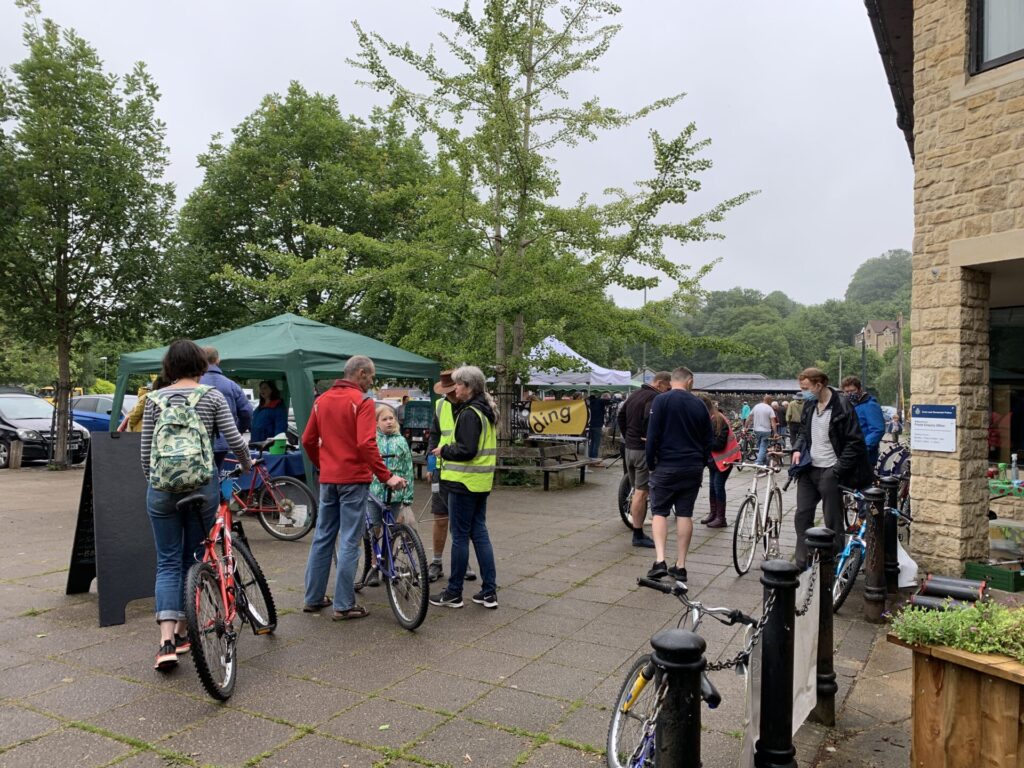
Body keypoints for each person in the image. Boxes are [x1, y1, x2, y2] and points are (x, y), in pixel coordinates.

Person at [140, 339, 252, 671]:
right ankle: (189, 630)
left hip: (161, 491)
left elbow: (145, 453)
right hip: (203, 487)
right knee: (195, 556)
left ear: (168, 367)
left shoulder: (154, 400)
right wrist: (245, 465)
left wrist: (159, 481)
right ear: (202, 366)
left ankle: (167, 642)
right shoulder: (212, 396)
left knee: (167, 563)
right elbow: (234, 439)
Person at [301, 355, 407, 620]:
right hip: (353, 480)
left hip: (328, 479)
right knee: (349, 539)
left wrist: (324, 464)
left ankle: (313, 597)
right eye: (371, 376)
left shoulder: (321, 400)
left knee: (323, 536)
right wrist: (386, 476)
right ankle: (344, 604)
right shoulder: (362, 402)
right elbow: (365, 444)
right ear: (360, 373)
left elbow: (308, 440)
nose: (371, 382)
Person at [429, 365, 499, 609]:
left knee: (459, 537)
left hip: (463, 482)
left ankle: (454, 592)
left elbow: (466, 450)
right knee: (479, 533)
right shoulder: (485, 410)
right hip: (480, 482)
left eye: (458, 384)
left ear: (469, 387)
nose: (455, 388)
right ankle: (489, 591)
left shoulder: (469, 413)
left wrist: (444, 450)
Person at [790, 367, 871, 567]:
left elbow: (855, 443)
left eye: (806, 387)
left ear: (819, 385)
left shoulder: (842, 406)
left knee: (832, 519)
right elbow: (802, 432)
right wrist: (798, 449)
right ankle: (803, 562)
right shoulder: (809, 405)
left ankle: (835, 562)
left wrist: (837, 470)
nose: (803, 392)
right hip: (810, 469)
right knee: (802, 515)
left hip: (831, 469)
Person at [644, 367, 713, 582]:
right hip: (691, 467)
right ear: (689, 381)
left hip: (666, 465)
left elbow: (652, 434)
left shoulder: (661, 401)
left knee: (659, 512)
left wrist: (651, 462)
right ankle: (681, 565)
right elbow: (708, 440)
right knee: (685, 514)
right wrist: (701, 462)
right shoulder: (699, 404)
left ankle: (660, 561)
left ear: (672, 381)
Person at [426, 370, 477, 584]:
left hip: (463, 471)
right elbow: (434, 436)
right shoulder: (440, 406)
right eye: (445, 391)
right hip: (441, 468)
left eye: (452, 390)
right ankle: (436, 562)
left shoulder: (471, 407)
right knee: (440, 517)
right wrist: (430, 465)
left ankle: (462, 561)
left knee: (461, 520)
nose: (450, 395)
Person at [616, 371, 672, 548]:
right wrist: (648, 437)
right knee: (641, 492)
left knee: (636, 490)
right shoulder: (655, 398)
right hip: (642, 451)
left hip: (629, 449)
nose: (668, 391)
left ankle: (637, 529)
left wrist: (629, 436)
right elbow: (649, 417)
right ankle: (638, 534)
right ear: (660, 383)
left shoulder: (634, 395)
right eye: (668, 388)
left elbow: (620, 416)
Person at [362, 403, 415, 587]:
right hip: (374, 493)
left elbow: (408, 468)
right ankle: (374, 565)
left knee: (390, 531)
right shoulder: (372, 440)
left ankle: (386, 562)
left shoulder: (401, 441)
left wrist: (408, 496)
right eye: (384, 419)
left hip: (395, 494)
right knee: (374, 528)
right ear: (376, 423)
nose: (389, 422)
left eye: (391, 418)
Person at [199, 347, 253, 468]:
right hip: (223, 442)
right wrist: (237, 430)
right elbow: (247, 412)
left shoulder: (194, 383)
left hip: (196, 442)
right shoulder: (231, 385)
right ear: (218, 360)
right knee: (216, 473)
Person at [699, 394, 736, 528]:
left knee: (718, 487)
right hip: (715, 461)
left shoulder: (718, 420)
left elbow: (719, 444)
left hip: (725, 459)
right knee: (712, 487)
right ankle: (713, 514)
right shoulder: (710, 418)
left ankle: (721, 518)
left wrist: (702, 440)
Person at [841, 376, 886, 469]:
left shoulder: (870, 406)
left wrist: (861, 448)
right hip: (848, 455)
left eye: (852, 391)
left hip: (864, 457)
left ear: (860, 389)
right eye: (846, 391)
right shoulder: (850, 405)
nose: (849, 394)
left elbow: (877, 430)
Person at [746, 395, 777, 467]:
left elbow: (749, 417)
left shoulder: (756, 406)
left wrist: (746, 427)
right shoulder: (769, 408)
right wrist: (775, 432)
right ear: (769, 400)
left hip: (756, 430)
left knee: (759, 446)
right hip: (766, 431)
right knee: (763, 447)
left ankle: (764, 461)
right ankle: (758, 462)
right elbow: (773, 422)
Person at [587, 392, 610, 460]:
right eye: (607, 399)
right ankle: (594, 459)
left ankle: (590, 458)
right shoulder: (600, 401)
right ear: (604, 398)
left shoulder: (592, 402)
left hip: (591, 424)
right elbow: (609, 402)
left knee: (592, 443)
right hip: (597, 425)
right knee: (596, 443)